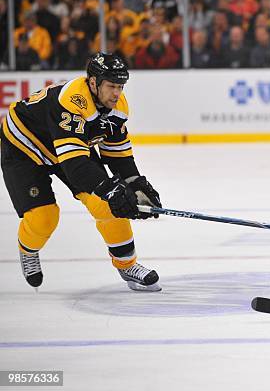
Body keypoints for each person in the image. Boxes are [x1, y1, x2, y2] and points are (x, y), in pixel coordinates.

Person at [1, 52, 162, 292]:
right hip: (24, 146)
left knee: (105, 205)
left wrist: (137, 184)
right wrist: (112, 190)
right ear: (94, 82)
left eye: (120, 86)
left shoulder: (117, 106)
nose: (117, 94)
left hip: (67, 147)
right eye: (111, 86)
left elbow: (118, 156)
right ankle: (28, 249)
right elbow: (76, 167)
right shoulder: (72, 101)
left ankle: (127, 265)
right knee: (44, 217)